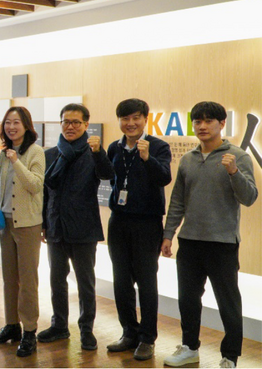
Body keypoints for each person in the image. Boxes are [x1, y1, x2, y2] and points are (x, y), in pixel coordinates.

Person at [161, 102, 258, 369]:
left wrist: (234, 173)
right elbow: (178, 201)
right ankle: (190, 347)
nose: (202, 126)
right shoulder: (188, 159)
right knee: (188, 300)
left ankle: (230, 357)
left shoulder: (237, 156)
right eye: (198, 121)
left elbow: (249, 197)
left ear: (221, 123)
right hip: (190, 241)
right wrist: (169, 234)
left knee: (228, 303)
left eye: (209, 121)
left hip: (222, 243)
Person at [38, 103, 114, 351]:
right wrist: (43, 223)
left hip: (84, 227)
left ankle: (86, 330)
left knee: (85, 281)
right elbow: (45, 193)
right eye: (66, 122)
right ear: (60, 124)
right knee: (56, 280)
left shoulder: (92, 153)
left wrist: (99, 152)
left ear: (85, 125)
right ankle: (59, 326)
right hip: (55, 225)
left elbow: (107, 174)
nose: (70, 126)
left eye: (76, 122)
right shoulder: (50, 154)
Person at [106, 99, 172, 361]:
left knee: (146, 282)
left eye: (135, 118)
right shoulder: (115, 147)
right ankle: (129, 332)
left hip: (147, 222)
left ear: (146, 119)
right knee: (121, 280)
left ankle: (147, 338)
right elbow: (113, 180)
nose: (130, 124)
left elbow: (164, 177)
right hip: (119, 220)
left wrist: (147, 158)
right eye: (124, 119)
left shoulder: (158, 146)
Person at [0, 107, 45, 357]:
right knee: (9, 278)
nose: (11, 127)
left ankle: (30, 331)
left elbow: (34, 185)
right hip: (6, 223)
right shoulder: (3, 153)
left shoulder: (35, 152)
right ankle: (12, 325)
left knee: (28, 281)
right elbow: (2, 188)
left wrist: (16, 161)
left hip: (28, 224)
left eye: (17, 123)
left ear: (26, 125)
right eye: (8, 123)